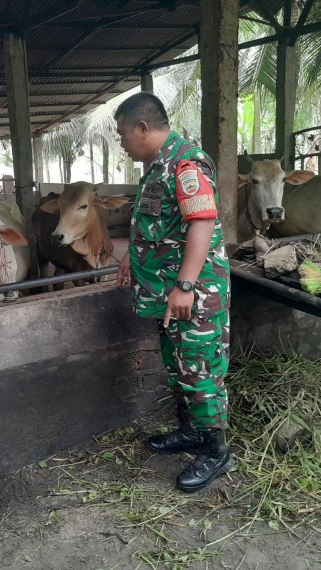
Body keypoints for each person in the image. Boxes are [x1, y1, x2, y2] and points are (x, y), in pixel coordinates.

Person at [114, 93, 233, 493]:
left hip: (192, 294)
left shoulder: (186, 162)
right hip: (168, 294)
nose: (122, 141)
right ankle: (191, 432)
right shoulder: (158, 166)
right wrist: (134, 255)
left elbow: (202, 223)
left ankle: (216, 452)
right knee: (178, 364)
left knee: (199, 370)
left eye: (123, 133)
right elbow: (159, 222)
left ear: (143, 128)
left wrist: (184, 285)